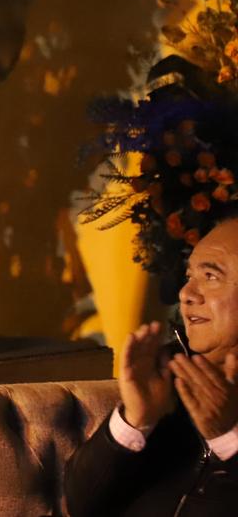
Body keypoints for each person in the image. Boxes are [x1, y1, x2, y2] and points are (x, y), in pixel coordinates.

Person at [64, 211, 238, 516]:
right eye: (189, 277)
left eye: (210, 276)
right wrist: (135, 419)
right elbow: (81, 506)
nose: (186, 293)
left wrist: (229, 438)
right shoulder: (166, 371)